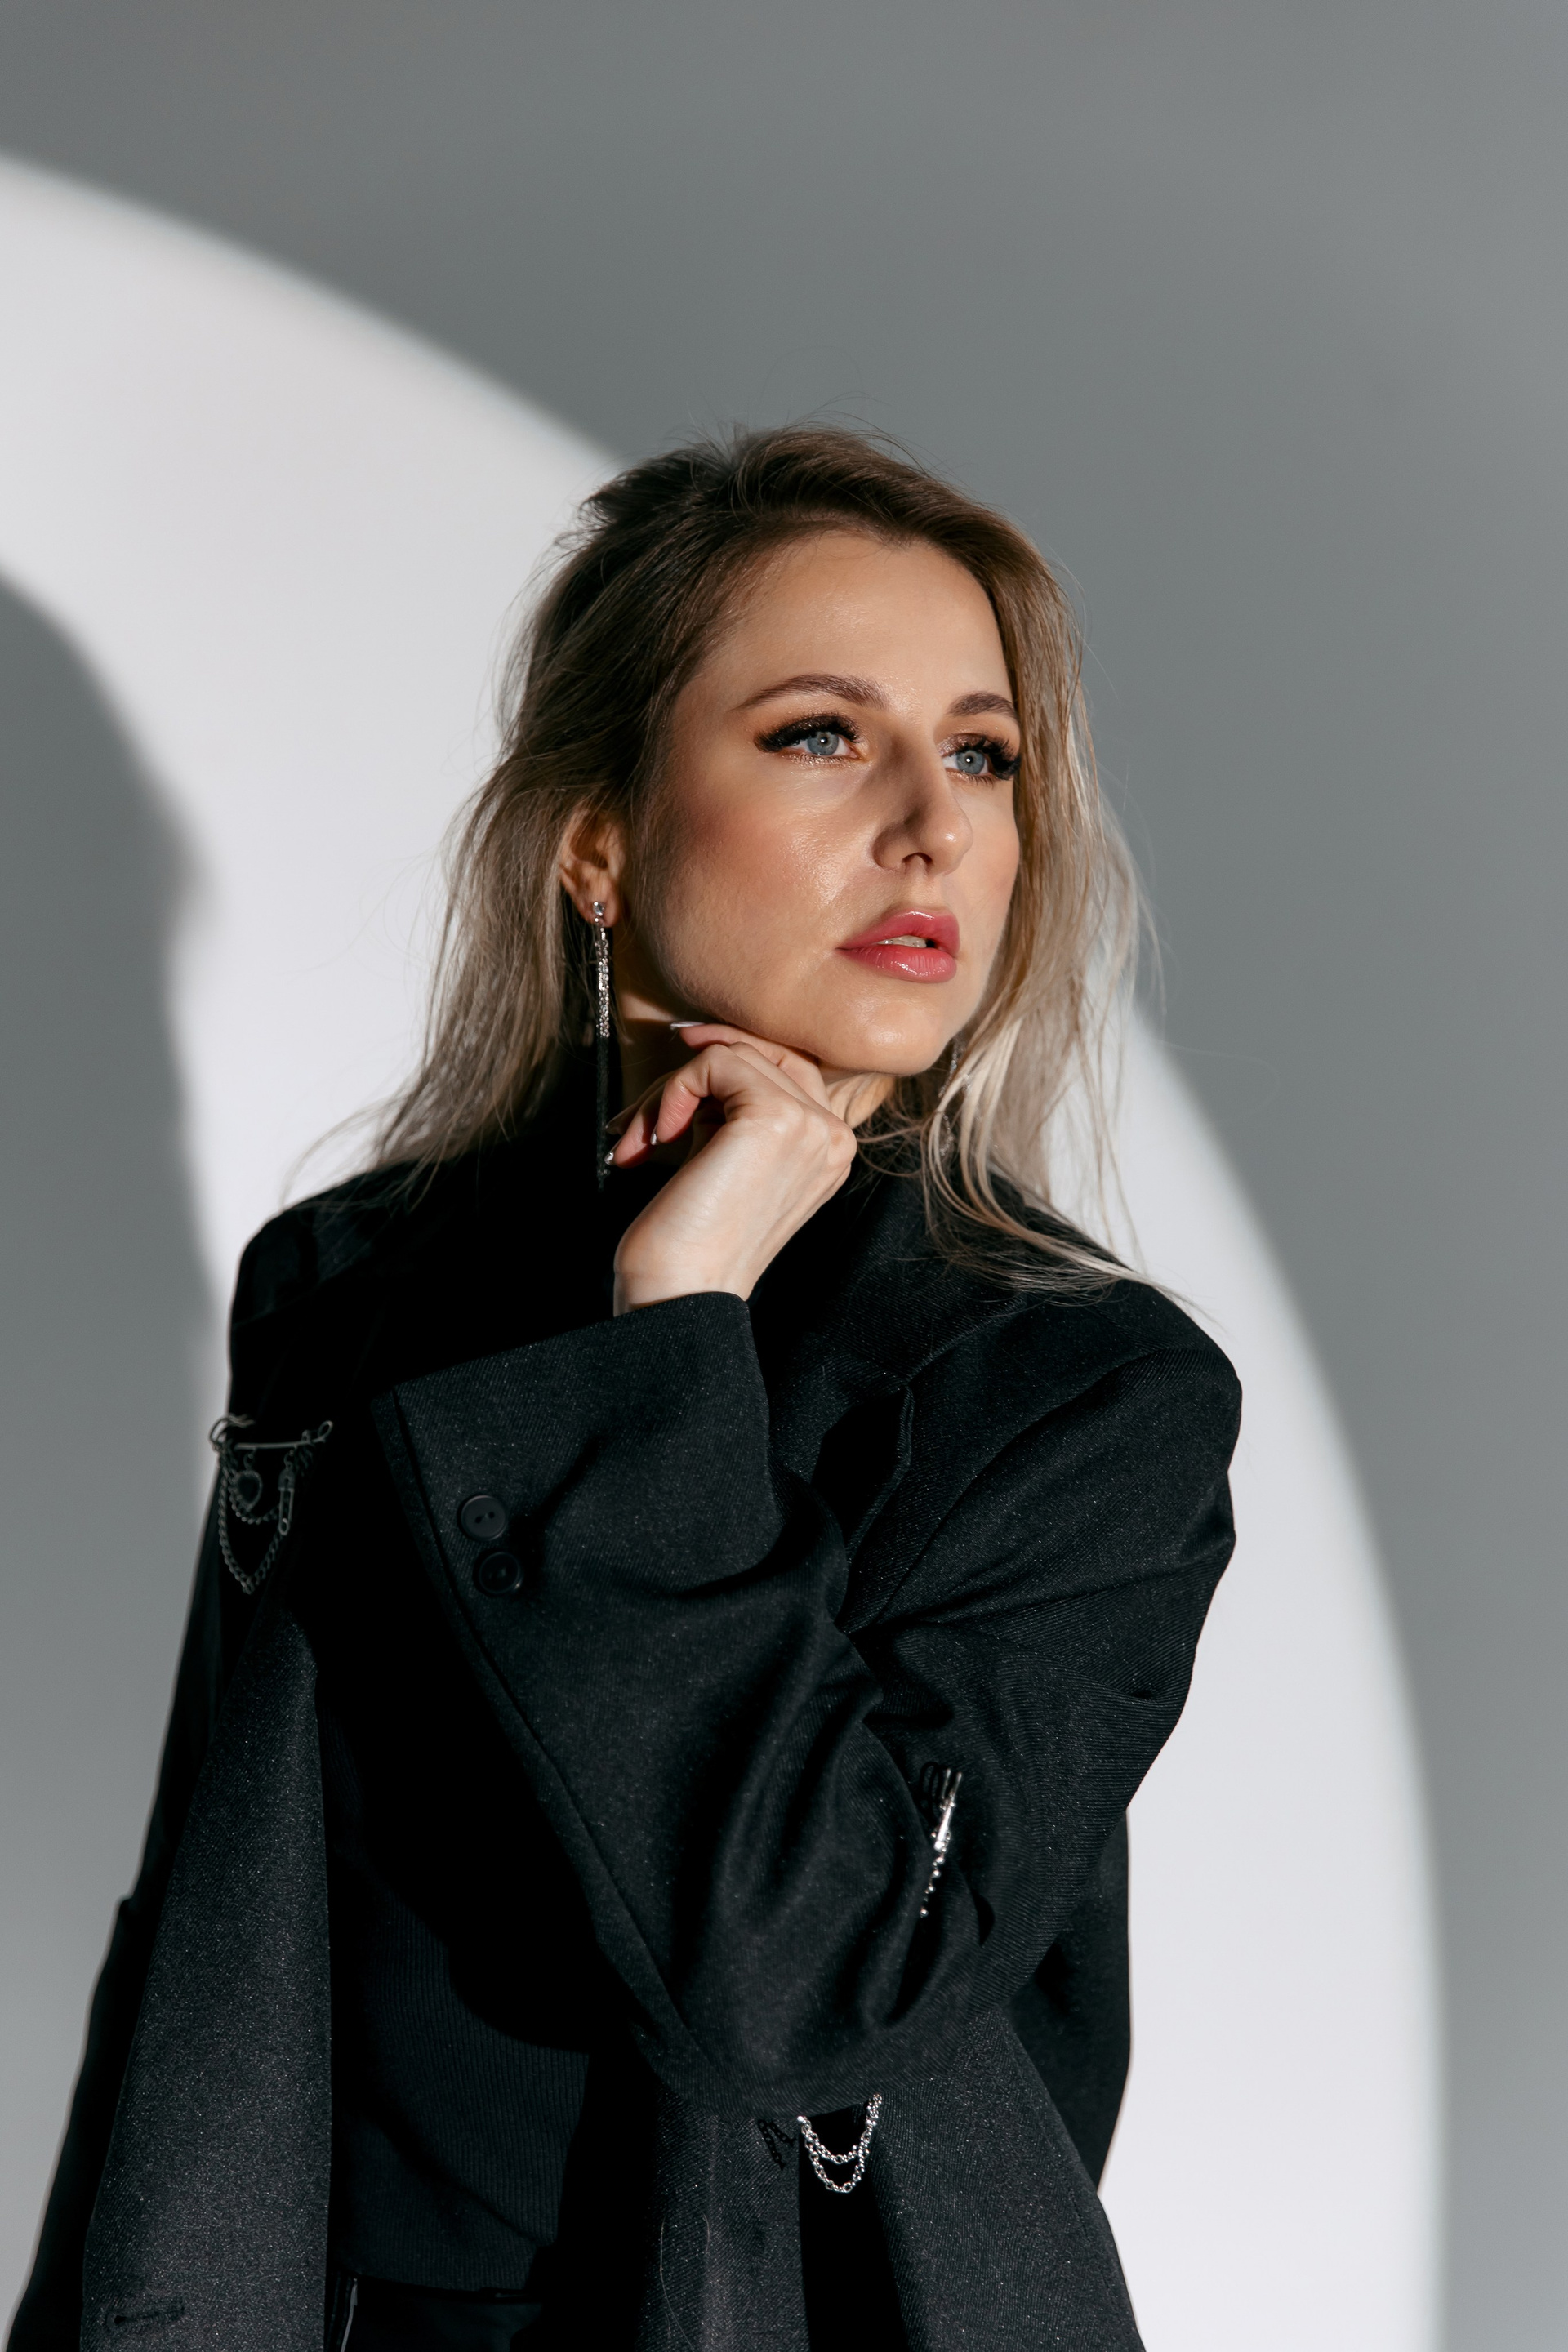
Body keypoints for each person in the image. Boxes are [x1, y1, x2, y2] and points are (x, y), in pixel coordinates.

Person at [10, 425, 1241, 2352]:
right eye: (822, 734)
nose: (932, 826)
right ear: (596, 844)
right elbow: (217, 1920)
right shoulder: (352, 1288)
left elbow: (809, 1983)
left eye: (986, 755)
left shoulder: (1079, 1390)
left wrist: (674, 1331)